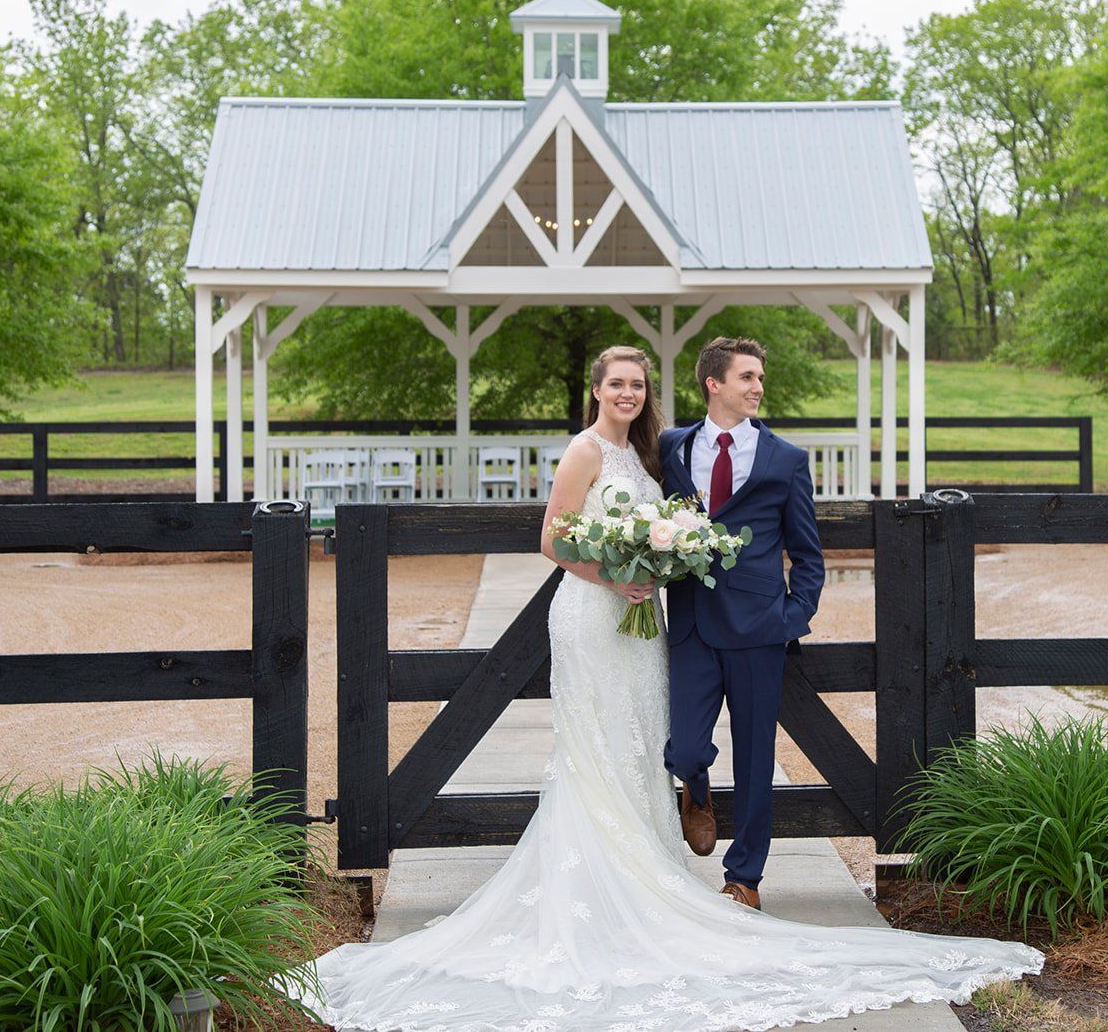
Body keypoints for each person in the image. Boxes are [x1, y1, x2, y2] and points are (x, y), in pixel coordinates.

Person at [281, 345, 1042, 1031]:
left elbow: (796, 548)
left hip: (720, 626)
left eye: (638, 384)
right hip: (630, 620)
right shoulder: (633, 448)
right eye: (618, 383)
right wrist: (616, 571)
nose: (630, 393)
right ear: (609, 389)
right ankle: (652, 835)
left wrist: (791, 614)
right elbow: (555, 533)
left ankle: (723, 878)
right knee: (653, 743)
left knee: (686, 742)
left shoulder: (711, 455)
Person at [658, 337, 823, 910]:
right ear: (714, 383)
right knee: (683, 747)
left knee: (756, 759)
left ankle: (744, 877)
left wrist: (790, 618)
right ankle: (694, 789)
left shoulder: (786, 460)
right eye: (747, 377)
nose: (757, 387)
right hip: (691, 626)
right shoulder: (672, 449)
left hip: (759, 631)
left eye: (759, 377)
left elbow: (808, 555)